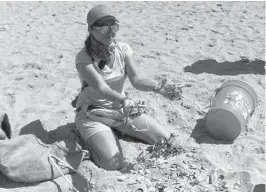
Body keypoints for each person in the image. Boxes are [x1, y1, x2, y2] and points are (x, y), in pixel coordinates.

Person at [74, 4, 179, 170]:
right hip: (92, 112)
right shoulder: (83, 58)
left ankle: (110, 133)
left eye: (114, 27)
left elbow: (136, 80)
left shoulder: (123, 49)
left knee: (166, 140)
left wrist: (158, 87)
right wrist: (124, 99)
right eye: (104, 29)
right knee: (111, 163)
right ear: (91, 30)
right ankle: (88, 141)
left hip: (120, 110)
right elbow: (101, 87)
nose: (111, 32)